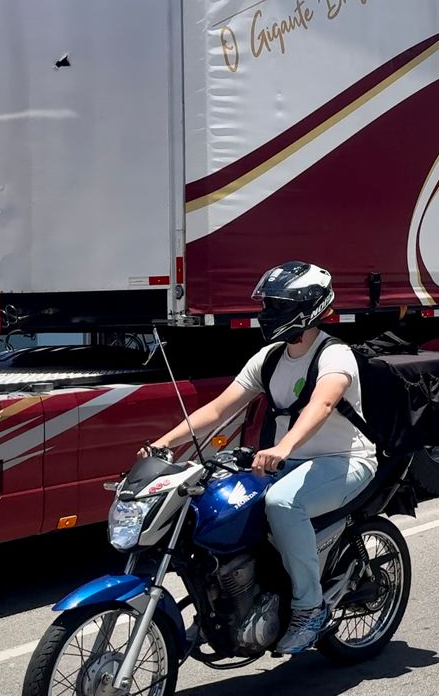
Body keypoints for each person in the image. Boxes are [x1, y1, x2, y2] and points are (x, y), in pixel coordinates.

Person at [142, 262, 376, 655]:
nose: (266, 313)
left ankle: (309, 608)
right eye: (266, 304)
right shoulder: (269, 357)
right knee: (219, 502)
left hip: (344, 460)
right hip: (291, 462)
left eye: (276, 305)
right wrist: (162, 443)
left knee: (282, 503)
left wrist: (284, 447)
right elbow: (217, 410)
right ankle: (227, 603)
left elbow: (322, 404)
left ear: (308, 308)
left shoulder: (336, 356)